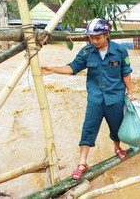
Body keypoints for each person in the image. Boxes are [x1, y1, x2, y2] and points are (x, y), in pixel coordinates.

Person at [41, 18, 133, 180]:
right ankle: (82, 163)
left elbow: (125, 72)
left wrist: (130, 92)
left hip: (115, 98)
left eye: (97, 37)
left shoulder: (120, 51)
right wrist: (53, 69)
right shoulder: (86, 52)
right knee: (88, 129)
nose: (94, 41)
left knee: (116, 127)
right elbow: (72, 68)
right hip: (95, 99)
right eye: (91, 37)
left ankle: (117, 147)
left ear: (106, 35)